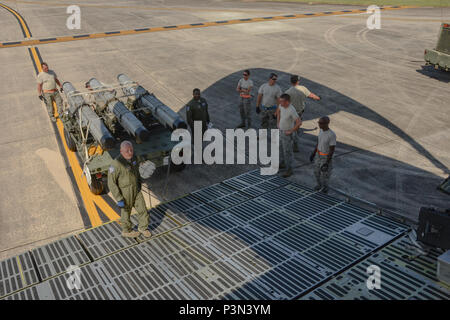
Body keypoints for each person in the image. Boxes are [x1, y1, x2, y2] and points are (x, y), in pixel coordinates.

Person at [108, 141, 151, 238]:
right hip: (125, 192)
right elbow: (111, 182)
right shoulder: (116, 164)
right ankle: (126, 231)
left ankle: (143, 228)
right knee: (126, 213)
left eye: (131, 150)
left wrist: (140, 182)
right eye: (127, 151)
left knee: (143, 209)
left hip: (136, 189)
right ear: (121, 151)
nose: (130, 152)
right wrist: (119, 198)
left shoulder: (134, 158)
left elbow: (136, 172)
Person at [285, 75, 320, 152]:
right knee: (296, 130)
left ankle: (288, 145)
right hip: (299, 113)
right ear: (298, 81)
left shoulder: (287, 92)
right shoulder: (303, 89)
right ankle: (295, 147)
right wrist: (318, 97)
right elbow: (311, 95)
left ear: (291, 82)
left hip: (290, 114)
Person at [276, 93, 302, 178]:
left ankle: (289, 170)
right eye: (280, 101)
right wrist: (278, 122)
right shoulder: (281, 106)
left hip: (287, 134)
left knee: (287, 152)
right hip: (281, 131)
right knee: (280, 149)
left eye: (282, 102)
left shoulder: (291, 110)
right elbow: (278, 112)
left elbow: (299, 122)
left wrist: (291, 131)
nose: (280, 103)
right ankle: (282, 164)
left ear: (287, 102)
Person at [310, 116, 336, 193]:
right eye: (319, 123)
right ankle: (319, 185)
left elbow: (332, 149)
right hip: (318, 155)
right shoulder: (321, 131)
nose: (319, 124)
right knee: (316, 172)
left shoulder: (331, 135)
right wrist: (313, 153)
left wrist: (327, 163)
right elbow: (318, 142)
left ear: (326, 124)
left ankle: (324, 189)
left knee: (324, 175)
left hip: (325, 157)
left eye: (321, 123)